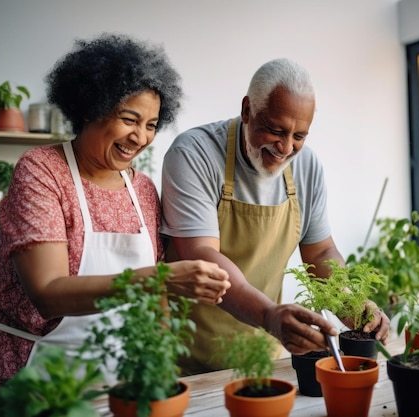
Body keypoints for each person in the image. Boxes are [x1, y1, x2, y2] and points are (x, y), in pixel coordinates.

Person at [0, 34, 230, 417]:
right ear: (91, 107)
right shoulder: (41, 171)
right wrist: (161, 278)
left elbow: (158, 303)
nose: (140, 137)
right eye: (129, 119)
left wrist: (160, 360)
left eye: (152, 124)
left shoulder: (142, 189)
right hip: (26, 370)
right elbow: (48, 293)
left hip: (110, 376)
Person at [161, 58, 390, 375]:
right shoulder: (194, 153)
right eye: (275, 130)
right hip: (187, 359)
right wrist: (269, 315)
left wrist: (354, 305)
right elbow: (202, 254)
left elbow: (320, 252)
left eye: (300, 135)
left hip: (262, 356)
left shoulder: (307, 166)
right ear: (246, 111)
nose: (285, 148)